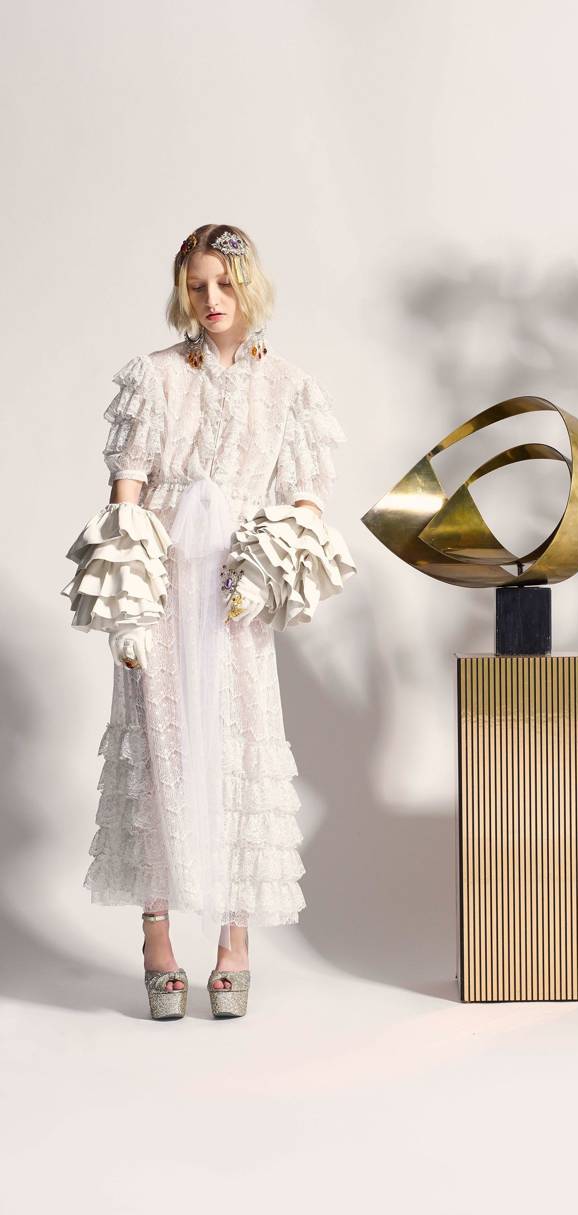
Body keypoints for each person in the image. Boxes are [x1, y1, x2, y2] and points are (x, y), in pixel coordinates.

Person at [61, 224, 354, 1020]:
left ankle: (234, 942)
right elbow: (128, 489)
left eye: (224, 283)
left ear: (249, 284)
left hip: (234, 592)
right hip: (164, 586)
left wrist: (266, 571)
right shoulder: (155, 377)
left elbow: (306, 499)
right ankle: (156, 940)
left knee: (237, 750)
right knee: (158, 752)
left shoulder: (289, 387)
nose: (211, 299)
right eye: (197, 286)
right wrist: (127, 602)